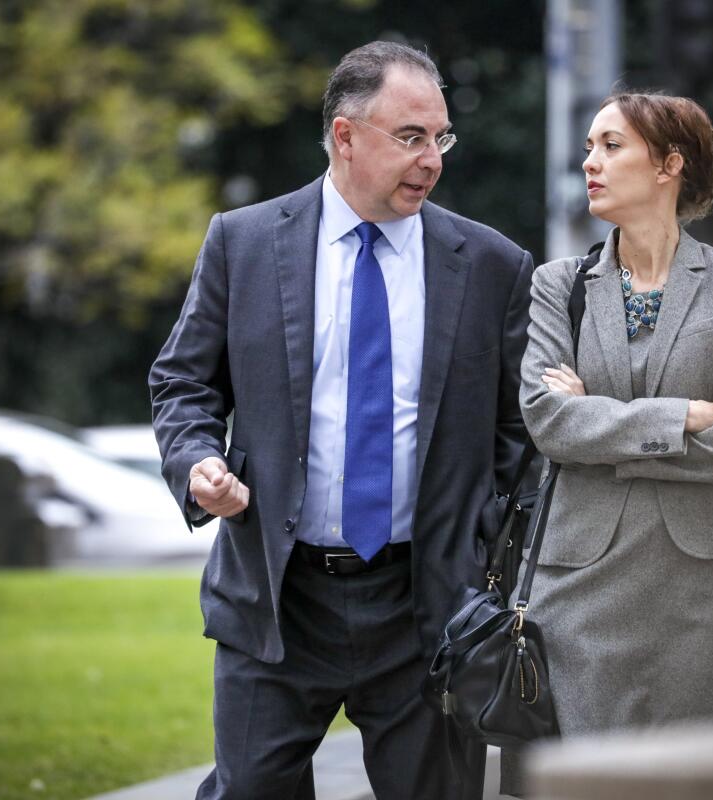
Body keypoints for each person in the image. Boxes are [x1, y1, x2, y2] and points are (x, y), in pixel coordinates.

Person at [149, 41, 534, 800]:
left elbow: (516, 433)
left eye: (441, 137)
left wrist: (481, 547)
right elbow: (183, 382)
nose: (433, 159)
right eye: (411, 136)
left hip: (426, 607)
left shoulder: (492, 265)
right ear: (345, 136)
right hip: (277, 601)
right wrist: (198, 465)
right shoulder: (244, 242)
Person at [509, 88, 713, 792]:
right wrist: (680, 416)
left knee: (710, 780)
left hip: (707, 591)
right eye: (588, 147)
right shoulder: (557, 287)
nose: (590, 163)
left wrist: (599, 427)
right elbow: (547, 421)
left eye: (611, 145)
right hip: (583, 593)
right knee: (592, 783)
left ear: (668, 165)